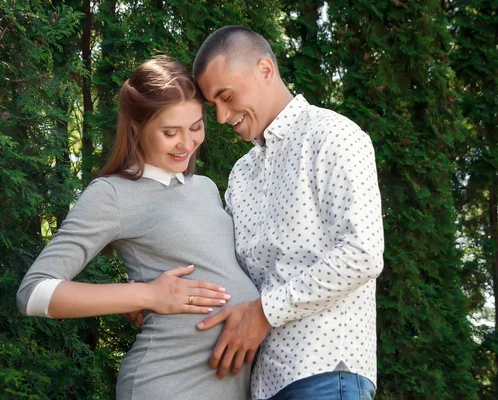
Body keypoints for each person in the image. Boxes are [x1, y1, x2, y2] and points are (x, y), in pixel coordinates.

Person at [16, 55, 259, 400]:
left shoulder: (205, 187)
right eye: (170, 132)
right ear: (136, 127)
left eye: (195, 127)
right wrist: (145, 295)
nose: (187, 144)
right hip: (166, 382)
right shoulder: (113, 194)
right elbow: (34, 293)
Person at [192, 26, 384, 400]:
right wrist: (153, 295)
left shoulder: (333, 135)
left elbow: (363, 252)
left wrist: (265, 312)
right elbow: (224, 267)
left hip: (327, 372)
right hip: (261, 382)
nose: (219, 116)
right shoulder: (241, 173)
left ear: (265, 70)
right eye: (212, 104)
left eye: (226, 96)